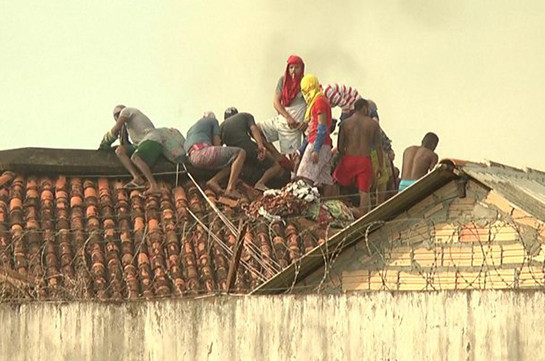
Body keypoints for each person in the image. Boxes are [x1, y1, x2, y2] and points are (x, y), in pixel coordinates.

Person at [333, 98, 383, 216]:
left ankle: (336, 207)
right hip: (365, 161)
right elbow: (378, 148)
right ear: (364, 108)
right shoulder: (373, 125)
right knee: (364, 191)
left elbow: (340, 148)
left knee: (335, 181)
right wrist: (380, 166)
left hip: (348, 159)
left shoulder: (345, 124)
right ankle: (363, 215)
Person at [99, 105, 164, 195]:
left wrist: (106, 141)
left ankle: (154, 186)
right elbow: (125, 143)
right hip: (139, 144)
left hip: (151, 140)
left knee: (135, 158)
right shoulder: (128, 125)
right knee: (120, 151)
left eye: (118, 116)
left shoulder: (126, 111)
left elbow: (116, 128)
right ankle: (137, 177)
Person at [184, 114, 246, 199]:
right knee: (240, 153)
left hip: (192, 158)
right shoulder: (212, 121)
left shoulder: (191, 130)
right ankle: (231, 189)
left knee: (231, 164)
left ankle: (213, 181)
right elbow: (217, 143)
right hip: (204, 152)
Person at [220, 109, 283, 191]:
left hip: (235, 158)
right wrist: (261, 146)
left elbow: (218, 145)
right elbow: (254, 130)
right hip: (248, 147)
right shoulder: (245, 115)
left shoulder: (221, 127)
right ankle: (261, 183)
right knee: (276, 166)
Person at [258, 55, 306, 156]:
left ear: (302, 69)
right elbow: (276, 102)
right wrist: (287, 116)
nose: (293, 71)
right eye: (291, 67)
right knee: (256, 129)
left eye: (297, 67)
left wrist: (306, 122)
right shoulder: (283, 81)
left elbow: (312, 104)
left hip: (292, 128)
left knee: (292, 159)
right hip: (281, 120)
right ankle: (277, 156)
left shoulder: (305, 83)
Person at [295, 74, 334, 195]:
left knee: (304, 177)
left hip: (318, 144)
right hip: (324, 144)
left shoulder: (319, 101)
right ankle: (327, 206)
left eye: (305, 89)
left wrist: (316, 150)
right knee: (324, 178)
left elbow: (321, 127)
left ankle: (305, 207)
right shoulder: (318, 101)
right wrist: (299, 151)